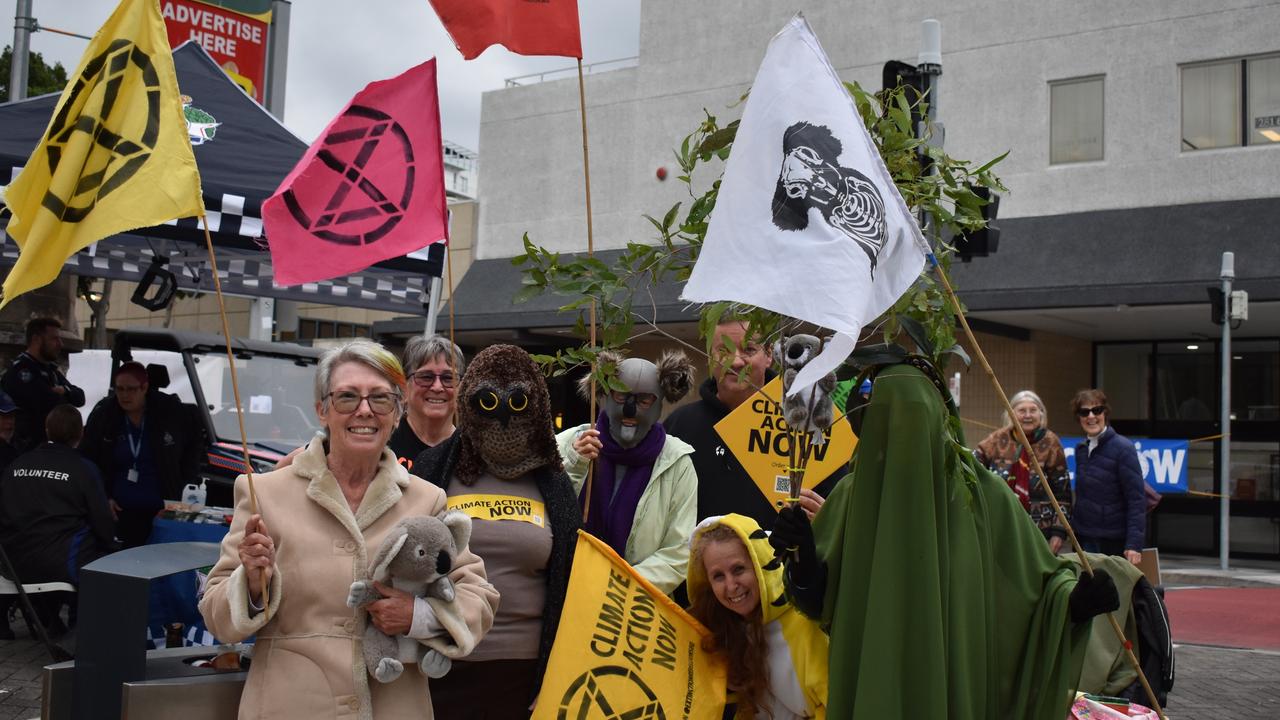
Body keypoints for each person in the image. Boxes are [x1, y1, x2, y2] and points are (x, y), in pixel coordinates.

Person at [770, 362, 1119, 718]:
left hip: (957, 684)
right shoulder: (852, 498)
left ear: (939, 419)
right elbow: (817, 601)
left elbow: (1038, 588)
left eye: (916, 419)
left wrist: (1076, 602)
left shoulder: (982, 496)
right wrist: (803, 556)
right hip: (875, 679)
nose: (905, 435)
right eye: (889, 420)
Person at [198, 340, 498, 719]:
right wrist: (252, 585)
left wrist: (419, 615)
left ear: (396, 413)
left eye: (380, 399)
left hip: (394, 706)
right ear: (322, 410)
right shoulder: (264, 493)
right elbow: (216, 616)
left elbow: (479, 597)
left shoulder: (427, 499)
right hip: (289, 705)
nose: (364, 411)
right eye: (347, 397)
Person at [413, 344, 580, 717]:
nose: (503, 415)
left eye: (518, 402)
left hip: (523, 673)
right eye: (488, 401)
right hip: (438, 662)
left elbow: (572, 580)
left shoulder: (553, 483)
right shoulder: (434, 468)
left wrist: (558, 674)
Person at [664, 320, 827, 530]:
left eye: (749, 349)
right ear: (710, 357)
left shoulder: (806, 423)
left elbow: (839, 509)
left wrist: (826, 517)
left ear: (769, 355)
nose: (736, 362)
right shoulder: (680, 426)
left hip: (785, 560)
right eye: (723, 350)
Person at [557, 350, 698, 595]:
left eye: (644, 401)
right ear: (604, 395)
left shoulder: (676, 463)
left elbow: (678, 551)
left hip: (634, 607)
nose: (631, 410)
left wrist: (617, 586)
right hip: (567, 593)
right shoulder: (566, 444)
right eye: (622, 396)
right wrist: (574, 464)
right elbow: (545, 518)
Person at [688, 514, 827, 719]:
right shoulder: (726, 627)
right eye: (718, 576)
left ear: (760, 566)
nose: (731, 586)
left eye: (738, 569)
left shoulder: (805, 622)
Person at [0, 405, 118, 634]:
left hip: (10, 563)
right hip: (58, 564)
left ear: (46, 430)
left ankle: (47, 617)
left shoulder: (18, 464)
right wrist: (112, 546)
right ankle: (83, 633)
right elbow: (102, 521)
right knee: (104, 560)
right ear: (81, 434)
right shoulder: (84, 469)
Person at [81, 362, 203, 548]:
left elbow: (193, 451)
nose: (124, 395)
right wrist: (103, 497)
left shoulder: (170, 412)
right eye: (120, 389)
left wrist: (182, 496)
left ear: (144, 387)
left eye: (131, 389)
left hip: (162, 509)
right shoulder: (105, 415)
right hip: (120, 510)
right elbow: (89, 461)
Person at [974, 389, 1074, 553]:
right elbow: (973, 463)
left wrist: (1059, 532)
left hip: (1041, 532)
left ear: (1041, 414)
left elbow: (1063, 494)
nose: (1028, 415)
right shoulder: (997, 439)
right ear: (1011, 413)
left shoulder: (1051, 442)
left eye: (1033, 410)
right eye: (1022, 410)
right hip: (1001, 527)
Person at [1071, 389, 1146, 565]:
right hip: (1084, 538)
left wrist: (1134, 544)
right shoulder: (1080, 449)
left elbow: (1136, 499)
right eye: (1084, 412)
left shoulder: (1123, 448)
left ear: (1105, 413)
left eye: (1096, 410)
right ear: (1079, 417)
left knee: (1113, 592)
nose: (1091, 416)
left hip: (1113, 541)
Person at [1, 317, 85, 450]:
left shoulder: (50, 369)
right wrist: (65, 396)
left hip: (47, 449)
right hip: (26, 451)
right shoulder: (21, 371)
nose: (60, 344)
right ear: (36, 339)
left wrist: (64, 391)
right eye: (54, 339)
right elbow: (48, 403)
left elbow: (80, 398)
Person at [388, 335, 465, 470]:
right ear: (404, 387)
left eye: (448, 378)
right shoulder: (384, 440)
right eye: (425, 377)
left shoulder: (471, 449)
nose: (437, 387)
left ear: (461, 388)